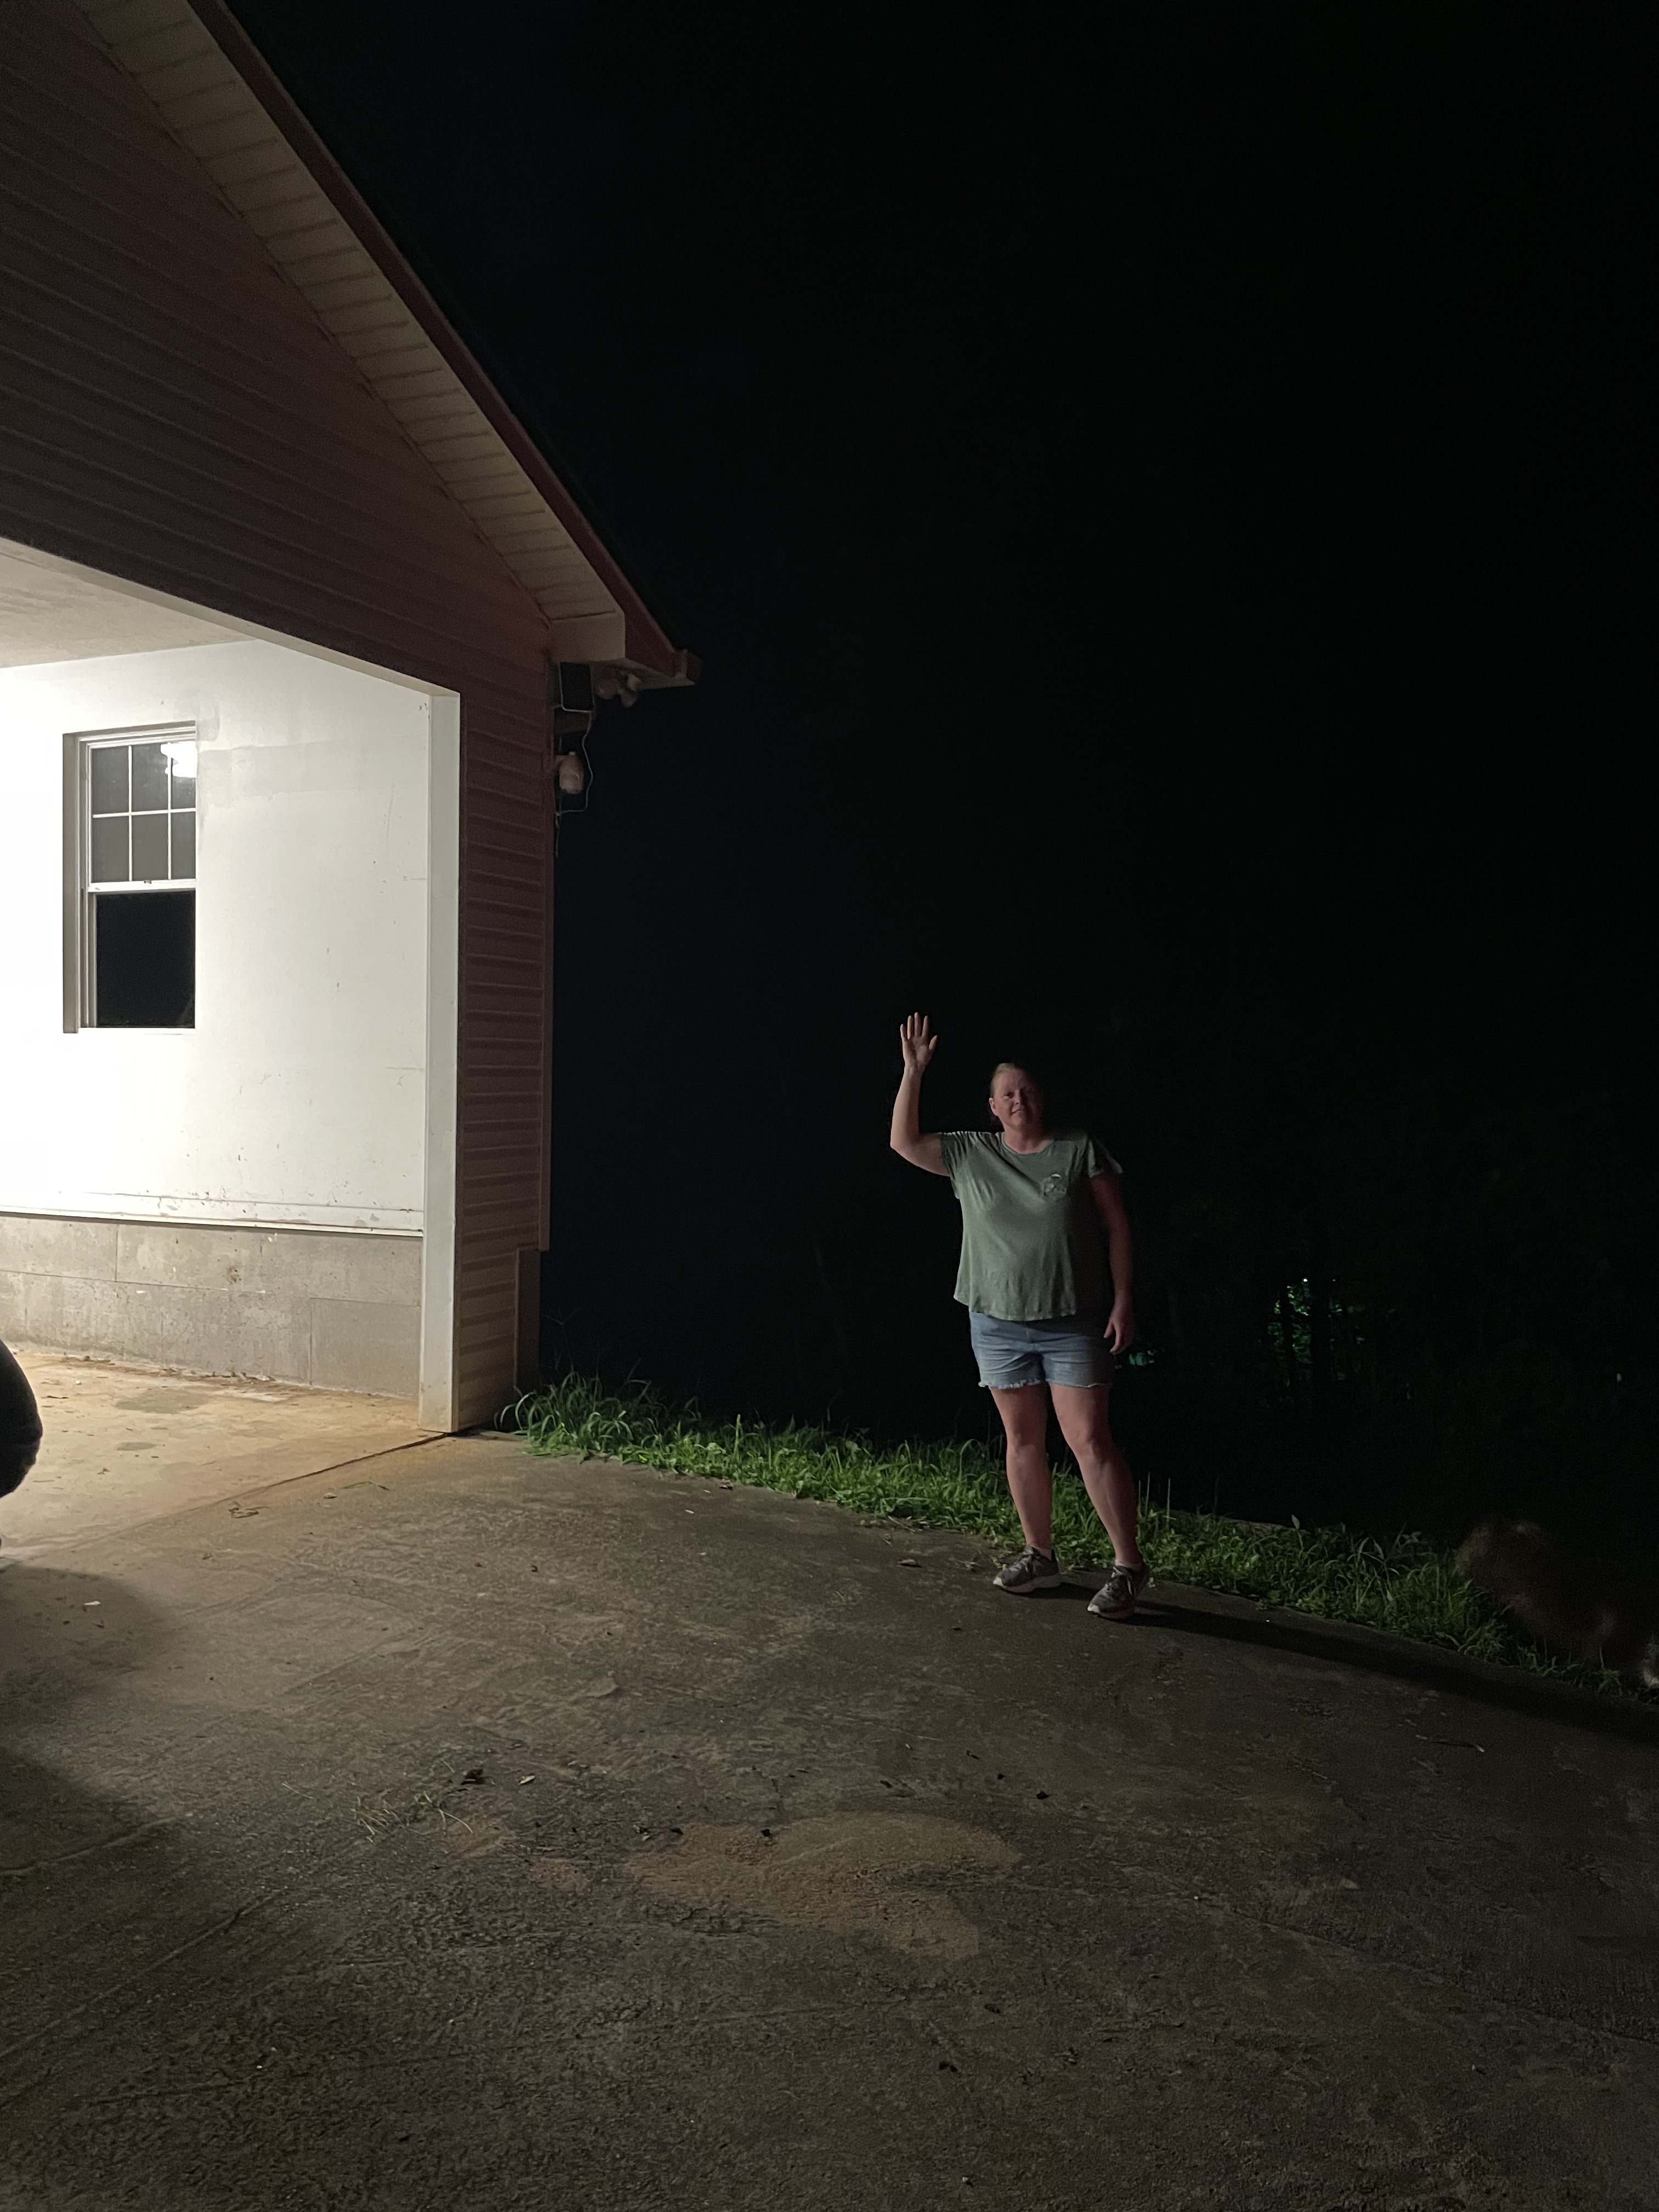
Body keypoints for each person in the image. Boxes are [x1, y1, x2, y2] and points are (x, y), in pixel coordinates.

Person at [889, 1012, 1149, 1619]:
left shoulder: (1078, 1150)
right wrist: (913, 1071)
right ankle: (1040, 1555)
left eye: (1027, 1091)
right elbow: (903, 1142)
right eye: (1008, 1094)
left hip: (1073, 1320)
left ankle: (1129, 1565)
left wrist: (1123, 1298)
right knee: (1023, 1440)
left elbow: (1116, 1226)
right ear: (993, 1107)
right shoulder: (971, 1153)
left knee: (1089, 1440)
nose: (1019, 1100)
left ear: (1041, 1099)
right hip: (996, 1321)